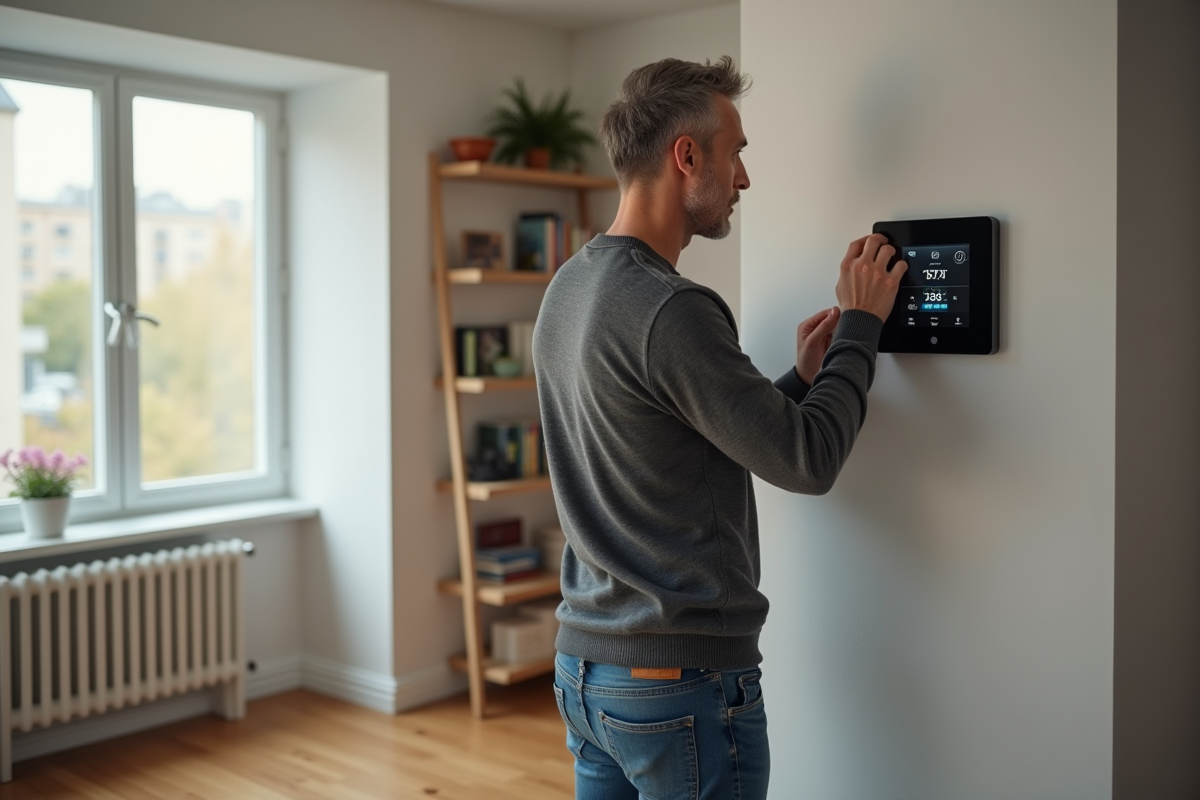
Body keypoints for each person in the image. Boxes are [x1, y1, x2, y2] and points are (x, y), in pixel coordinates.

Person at [532, 56, 906, 800]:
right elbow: (808, 460)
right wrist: (863, 324)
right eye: (735, 152)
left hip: (588, 676)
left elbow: (664, 441)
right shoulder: (673, 308)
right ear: (686, 155)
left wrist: (802, 380)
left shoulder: (568, 287)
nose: (743, 178)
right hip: (678, 686)